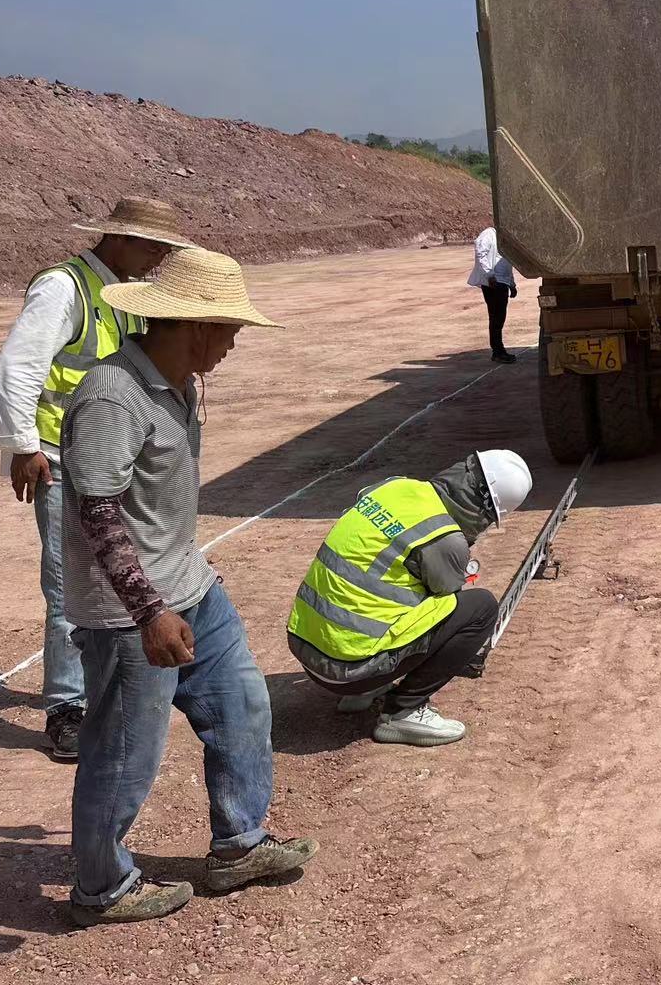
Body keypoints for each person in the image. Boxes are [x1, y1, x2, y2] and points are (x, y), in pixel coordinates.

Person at [60, 247, 316, 926]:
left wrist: (178, 586)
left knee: (243, 705)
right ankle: (100, 887)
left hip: (189, 584)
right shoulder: (114, 395)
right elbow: (98, 510)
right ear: (196, 327)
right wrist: (148, 612)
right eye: (230, 330)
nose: (234, 343)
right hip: (130, 610)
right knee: (124, 752)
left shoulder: (177, 382)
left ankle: (239, 843)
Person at [0, 197, 194, 763]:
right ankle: (66, 708)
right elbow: (18, 365)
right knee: (68, 585)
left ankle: (105, 691)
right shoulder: (65, 288)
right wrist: (23, 446)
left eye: (164, 249)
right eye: (151, 246)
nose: (158, 258)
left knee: (118, 577)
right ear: (117, 239)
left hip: (112, 460)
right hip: (61, 460)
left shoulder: (123, 297)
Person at [285, 449, 533, 747]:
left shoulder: (395, 486)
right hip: (348, 670)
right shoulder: (446, 538)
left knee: (389, 586)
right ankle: (404, 711)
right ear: (484, 510)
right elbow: (446, 599)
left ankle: (363, 692)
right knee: (479, 608)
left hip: (306, 645)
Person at [467, 225, 518, 363]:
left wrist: (512, 284)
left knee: (499, 318)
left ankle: (499, 350)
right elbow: (480, 252)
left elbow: (508, 263)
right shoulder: (489, 234)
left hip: (502, 282)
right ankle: (497, 351)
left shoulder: (504, 237)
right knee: (496, 317)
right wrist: (489, 274)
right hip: (493, 282)